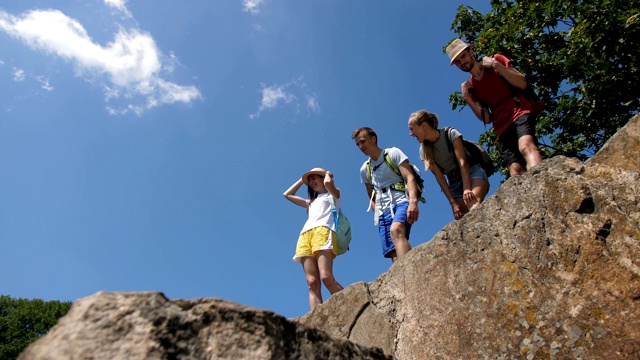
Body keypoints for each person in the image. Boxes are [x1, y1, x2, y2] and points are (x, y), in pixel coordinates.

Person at [446, 38, 543, 177]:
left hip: (519, 110)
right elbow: (486, 118)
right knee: (515, 169)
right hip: (501, 126)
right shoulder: (472, 88)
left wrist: (497, 65)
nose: (462, 62)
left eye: (463, 56)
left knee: (526, 146)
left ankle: (541, 183)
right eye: (457, 61)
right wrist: (467, 98)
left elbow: (522, 83)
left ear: (471, 52)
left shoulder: (495, 61)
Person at [352, 127, 420, 263]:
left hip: (401, 201)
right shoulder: (365, 169)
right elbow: (370, 196)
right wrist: (378, 212)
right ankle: (414, 269)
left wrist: (413, 202)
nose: (360, 146)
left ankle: (405, 276)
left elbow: (410, 177)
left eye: (363, 141)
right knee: (394, 254)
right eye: (358, 144)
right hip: (383, 211)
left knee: (396, 230)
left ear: (373, 138)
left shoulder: (393, 153)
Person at [408, 110, 490, 220]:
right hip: (454, 182)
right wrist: (453, 203)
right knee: (462, 216)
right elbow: (440, 177)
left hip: (472, 172)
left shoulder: (450, 133)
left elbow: (462, 162)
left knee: (473, 203)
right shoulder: (424, 151)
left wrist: (466, 188)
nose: (411, 133)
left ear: (423, 126)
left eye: (412, 129)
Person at [283, 168, 344, 311]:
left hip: (323, 232)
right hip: (305, 236)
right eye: (310, 180)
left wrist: (327, 175)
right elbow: (287, 194)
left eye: (314, 178)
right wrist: (302, 179)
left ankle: (354, 303)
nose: (311, 182)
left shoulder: (334, 194)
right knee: (312, 283)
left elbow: (329, 184)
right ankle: (317, 321)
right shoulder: (310, 202)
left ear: (323, 179)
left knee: (326, 277)